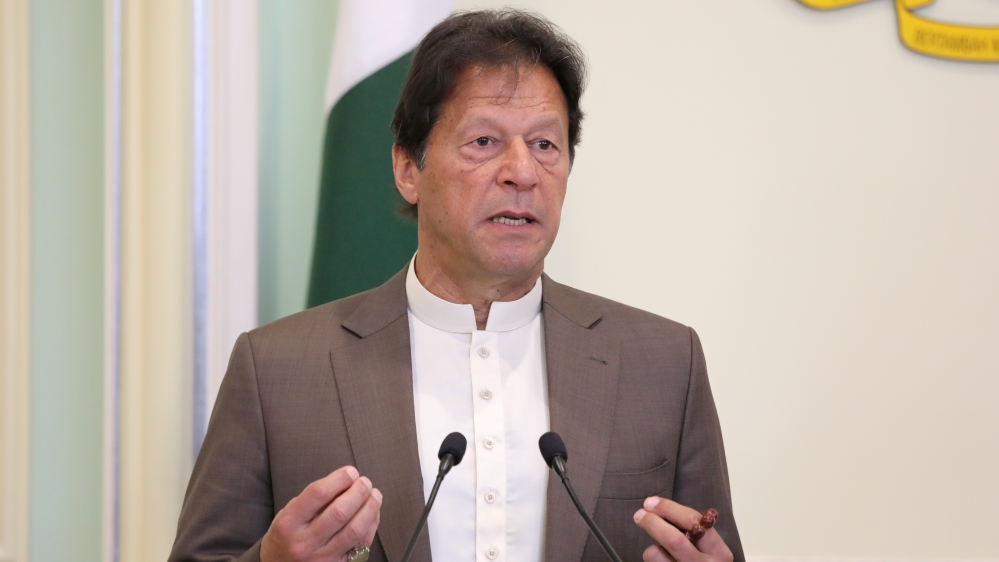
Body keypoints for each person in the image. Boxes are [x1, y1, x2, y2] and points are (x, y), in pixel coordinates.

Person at [169, 9, 744, 562]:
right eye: (485, 142)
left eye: (546, 144)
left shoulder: (664, 365)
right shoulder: (278, 369)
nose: (522, 172)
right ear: (407, 169)